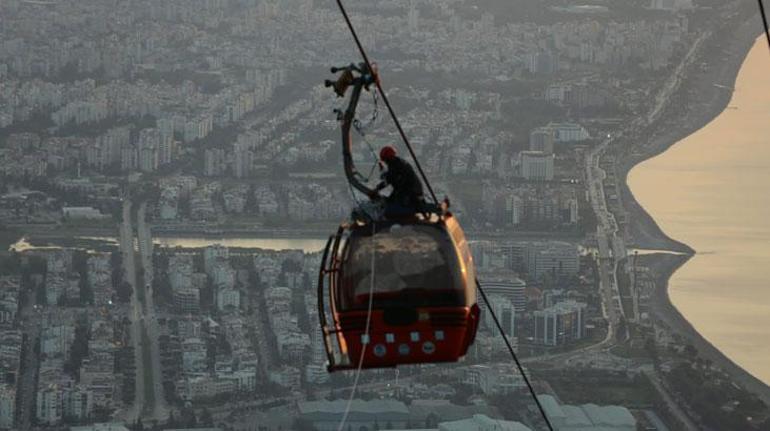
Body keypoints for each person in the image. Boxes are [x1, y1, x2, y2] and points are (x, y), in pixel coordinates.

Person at [370, 146, 424, 217]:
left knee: (391, 208)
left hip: (410, 192)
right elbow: (392, 179)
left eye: (385, 160)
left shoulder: (395, 165)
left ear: (388, 158)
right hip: (410, 190)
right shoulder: (398, 163)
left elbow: (389, 179)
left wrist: (377, 189)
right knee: (390, 201)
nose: (385, 162)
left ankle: (402, 218)